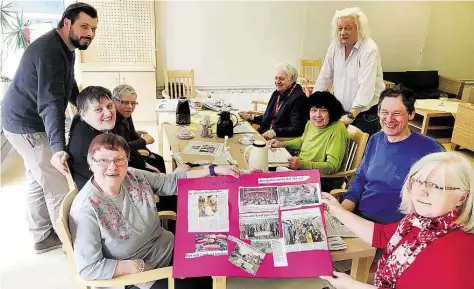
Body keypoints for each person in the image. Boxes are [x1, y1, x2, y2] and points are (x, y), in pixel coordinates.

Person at [69, 133, 239, 289]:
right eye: (103, 160)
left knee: (212, 267)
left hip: (169, 248)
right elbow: (88, 268)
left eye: (119, 159)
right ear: (91, 163)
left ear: (127, 161)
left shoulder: (132, 176)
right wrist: (136, 266)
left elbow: (169, 182)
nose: (112, 167)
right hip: (141, 275)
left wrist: (213, 170)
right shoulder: (86, 209)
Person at [0, 2, 97, 253]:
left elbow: (68, 83)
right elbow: (51, 104)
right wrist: (57, 149)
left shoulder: (67, 46)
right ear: (67, 23)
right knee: (58, 184)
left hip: (21, 119)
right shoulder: (49, 51)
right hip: (25, 124)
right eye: (84, 26)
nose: (89, 33)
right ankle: (71, 244)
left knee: (37, 178)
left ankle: (41, 235)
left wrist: (85, 106)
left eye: (93, 28)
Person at [321, 152, 474, 289]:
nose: (422, 192)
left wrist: (353, 286)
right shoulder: (421, 221)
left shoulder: (456, 252)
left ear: (462, 198)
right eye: (418, 181)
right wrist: (337, 211)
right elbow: (383, 235)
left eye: (436, 186)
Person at [341, 88, 444, 224]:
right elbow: (360, 178)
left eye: (396, 113)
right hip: (360, 218)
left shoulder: (431, 149)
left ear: (411, 114)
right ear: (378, 113)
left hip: (396, 229)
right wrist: (344, 209)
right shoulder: (375, 139)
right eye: (384, 112)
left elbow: (441, 196)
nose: (389, 119)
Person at [68, 86, 162, 191]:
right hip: (109, 197)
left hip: (112, 186)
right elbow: (115, 182)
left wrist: (144, 164)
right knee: (177, 182)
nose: (108, 113)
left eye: (109, 106)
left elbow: (120, 145)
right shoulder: (92, 144)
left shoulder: (89, 125)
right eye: (98, 109)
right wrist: (153, 177)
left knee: (171, 179)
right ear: (83, 114)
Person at [314, 7, 385, 136]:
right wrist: (313, 105)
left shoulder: (369, 49)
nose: (342, 32)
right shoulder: (335, 46)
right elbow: (324, 77)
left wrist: (351, 115)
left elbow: (366, 87)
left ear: (359, 29)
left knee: (360, 153)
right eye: (340, 28)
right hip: (342, 111)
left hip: (365, 114)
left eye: (348, 28)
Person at [267, 91, 348, 191]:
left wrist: (301, 164)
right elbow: (302, 141)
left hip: (322, 180)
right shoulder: (311, 123)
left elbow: (331, 166)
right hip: (301, 172)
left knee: (272, 186)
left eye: (323, 110)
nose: (317, 115)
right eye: (314, 110)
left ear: (331, 112)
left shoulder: (337, 130)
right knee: (265, 173)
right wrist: (281, 144)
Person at [239, 62, 307, 140]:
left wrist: (275, 132)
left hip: (277, 140)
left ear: (291, 79)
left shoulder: (299, 98)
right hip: (264, 134)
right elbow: (270, 118)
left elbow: (298, 129)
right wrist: (251, 118)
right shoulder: (277, 93)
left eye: (281, 78)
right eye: (276, 78)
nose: (277, 81)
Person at [113, 84, 166, 173]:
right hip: (122, 159)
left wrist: (149, 153)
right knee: (156, 164)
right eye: (125, 102)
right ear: (114, 101)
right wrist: (144, 141)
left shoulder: (126, 113)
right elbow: (120, 148)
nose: (130, 106)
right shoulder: (112, 119)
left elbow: (133, 135)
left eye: (133, 103)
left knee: (158, 159)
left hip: (130, 152)